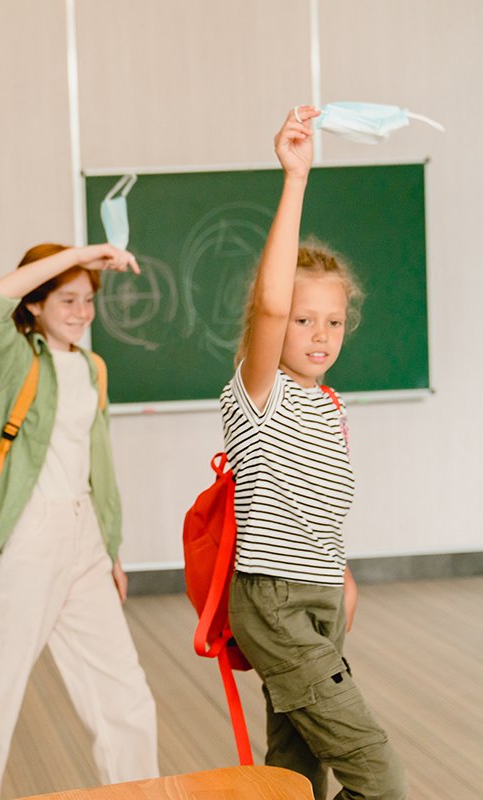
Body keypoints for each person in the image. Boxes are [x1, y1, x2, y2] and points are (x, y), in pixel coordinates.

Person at [221, 106, 407, 800]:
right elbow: (269, 306)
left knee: (295, 770)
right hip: (273, 600)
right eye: (304, 320)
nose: (320, 334)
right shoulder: (257, 389)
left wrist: (341, 577)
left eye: (333, 321)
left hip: (320, 596)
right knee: (376, 772)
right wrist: (295, 177)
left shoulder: (327, 405)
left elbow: (312, 505)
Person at [0, 244, 159, 799]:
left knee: (125, 696)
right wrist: (81, 253)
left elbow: (95, 466)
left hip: (84, 538)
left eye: (88, 299)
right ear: (35, 304)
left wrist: (111, 550)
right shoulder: (12, 358)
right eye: (67, 298)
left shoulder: (91, 367)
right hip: (28, 538)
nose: (83, 311)